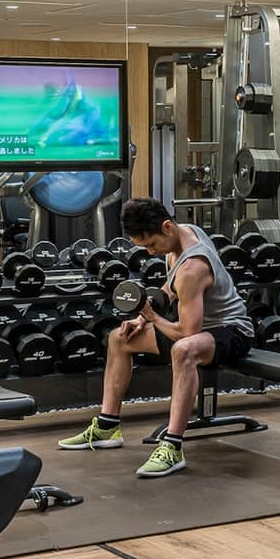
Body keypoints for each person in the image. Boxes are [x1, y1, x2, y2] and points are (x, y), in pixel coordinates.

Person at [58, 198, 253, 478]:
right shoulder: (182, 234)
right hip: (199, 328)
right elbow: (168, 288)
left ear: (166, 227)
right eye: (144, 247)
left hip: (232, 330)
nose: (150, 253)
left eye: (151, 245)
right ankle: (106, 426)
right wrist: (140, 318)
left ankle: (172, 446)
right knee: (118, 338)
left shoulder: (192, 267)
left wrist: (152, 317)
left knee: (183, 350)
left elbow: (187, 333)